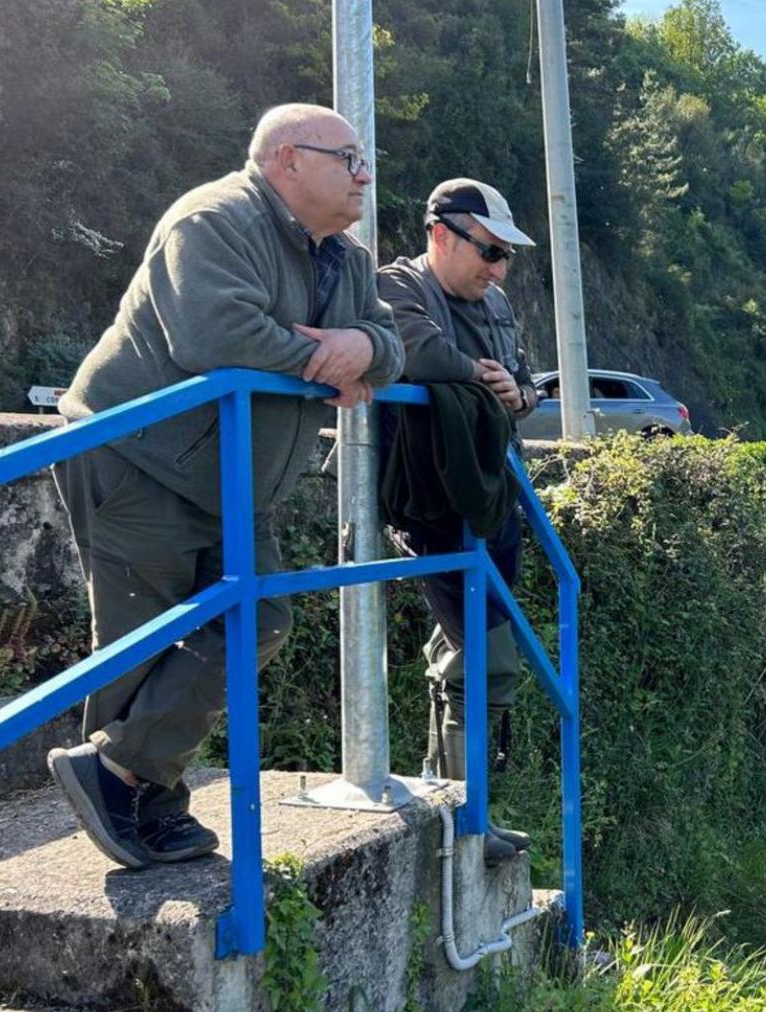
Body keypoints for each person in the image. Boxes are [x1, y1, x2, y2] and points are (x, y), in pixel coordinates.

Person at [47, 103, 404, 870]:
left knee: (261, 616)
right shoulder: (212, 219)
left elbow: (393, 345)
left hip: (237, 480)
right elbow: (213, 335)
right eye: (347, 158)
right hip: (139, 454)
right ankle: (140, 792)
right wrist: (327, 363)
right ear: (286, 160)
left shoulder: (347, 258)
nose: (364, 175)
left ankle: (123, 771)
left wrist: (360, 344)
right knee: (141, 633)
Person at [377, 178, 538, 866]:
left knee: (462, 654)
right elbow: (412, 351)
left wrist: (517, 392)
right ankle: (465, 816)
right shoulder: (396, 286)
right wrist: (483, 376)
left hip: (492, 496)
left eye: (506, 256)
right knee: (486, 657)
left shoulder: (496, 301)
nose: (499, 268)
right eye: (490, 251)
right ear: (441, 232)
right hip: (433, 504)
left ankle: (452, 808)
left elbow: (528, 385)